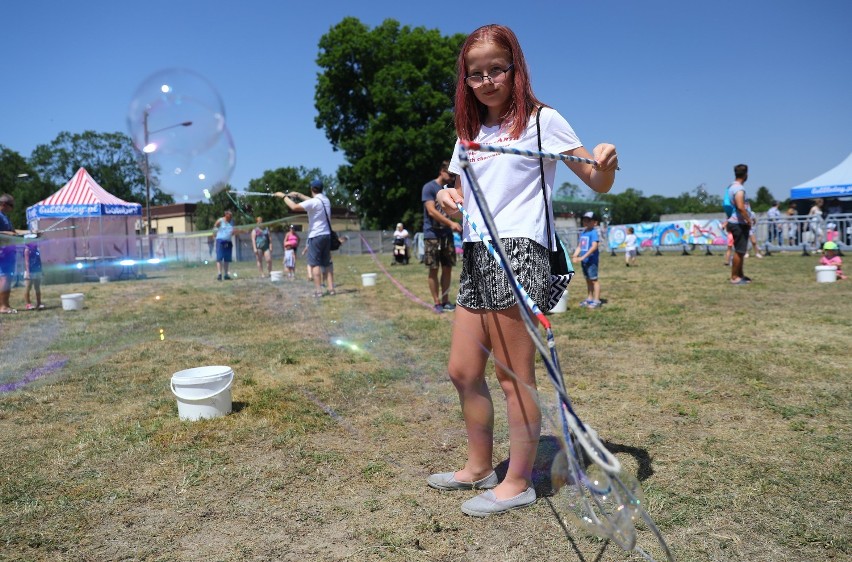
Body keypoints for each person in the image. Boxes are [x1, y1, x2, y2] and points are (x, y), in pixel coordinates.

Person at [430, 24, 617, 517]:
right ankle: (478, 467)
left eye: (497, 69)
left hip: (519, 251)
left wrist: (606, 160)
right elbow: (463, 190)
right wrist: (451, 195)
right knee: (463, 370)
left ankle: (520, 481)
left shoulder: (542, 121)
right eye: (476, 73)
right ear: (465, 80)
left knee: (514, 376)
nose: (487, 80)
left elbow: (595, 180)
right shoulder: (469, 131)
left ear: (516, 69)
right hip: (476, 250)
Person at [275, 179, 335, 297]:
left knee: (315, 264)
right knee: (327, 264)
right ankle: (331, 289)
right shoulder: (325, 200)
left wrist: (283, 197)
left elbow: (294, 207)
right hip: (326, 236)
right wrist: (297, 195)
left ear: (312, 189)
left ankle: (318, 291)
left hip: (316, 236)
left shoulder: (314, 202)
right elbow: (312, 200)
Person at [422, 161, 462, 313]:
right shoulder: (429, 187)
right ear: (441, 171)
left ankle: (445, 301)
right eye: (450, 174)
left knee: (447, 268)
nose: (452, 178)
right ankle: (437, 302)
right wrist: (451, 224)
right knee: (433, 268)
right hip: (432, 234)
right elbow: (431, 211)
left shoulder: (451, 189)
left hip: (446, 235)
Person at [726, 164, 751, 284]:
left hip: (736, 222)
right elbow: (740, 206)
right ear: (746, 175)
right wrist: (748, 219)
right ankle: (735, 277)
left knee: (741, 251)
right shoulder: (739, 189)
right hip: (738, 223)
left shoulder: (731, 187)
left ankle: (740, 275)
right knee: (739, 251)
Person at [572, 212, 603, 307]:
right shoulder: (583, 232)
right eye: (584, 220)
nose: (585, 222)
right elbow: (580, 246)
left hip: (591, 261)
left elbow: (594, 247)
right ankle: (590, 298)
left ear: (595, 222)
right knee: (588, 280)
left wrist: (582, 257)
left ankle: (597, 300)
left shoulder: (593, 233)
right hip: (584, 261)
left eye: (588, 220)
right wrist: (575, 256)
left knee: (594, 280)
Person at [0, 194, 22, 314]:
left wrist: (32, 232)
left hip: (8, 251)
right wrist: (9, 234)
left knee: (7, 278)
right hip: (2, 251)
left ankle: (6, 304)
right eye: (11, 205)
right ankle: (2, 306)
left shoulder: (5, 217)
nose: (12, 208)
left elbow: (14, 232)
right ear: (3, 204)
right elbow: (8, 233)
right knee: (4, 278)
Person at [213, 210, 234, 281]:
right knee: (219, 258)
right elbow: (215, 226)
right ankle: (219, 274)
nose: (230, 217)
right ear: (226, 215)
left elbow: (232, 231)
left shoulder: (231, 222)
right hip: (220, 241)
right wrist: (214, 233)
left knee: (227, 259)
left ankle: (226, 274)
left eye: (231, 216)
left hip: (228, 241)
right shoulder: (221, 220)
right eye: (229, 216)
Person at [23, 242, 44, 310]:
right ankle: (28, 304)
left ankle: (39, 303)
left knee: (37, 287)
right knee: (28, 287)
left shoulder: (37, 250)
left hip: (37, 270)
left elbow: (39, 260)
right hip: (30, 271)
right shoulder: (27, 250)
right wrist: (28, 272)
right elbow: (27, 262)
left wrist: (41, 270)